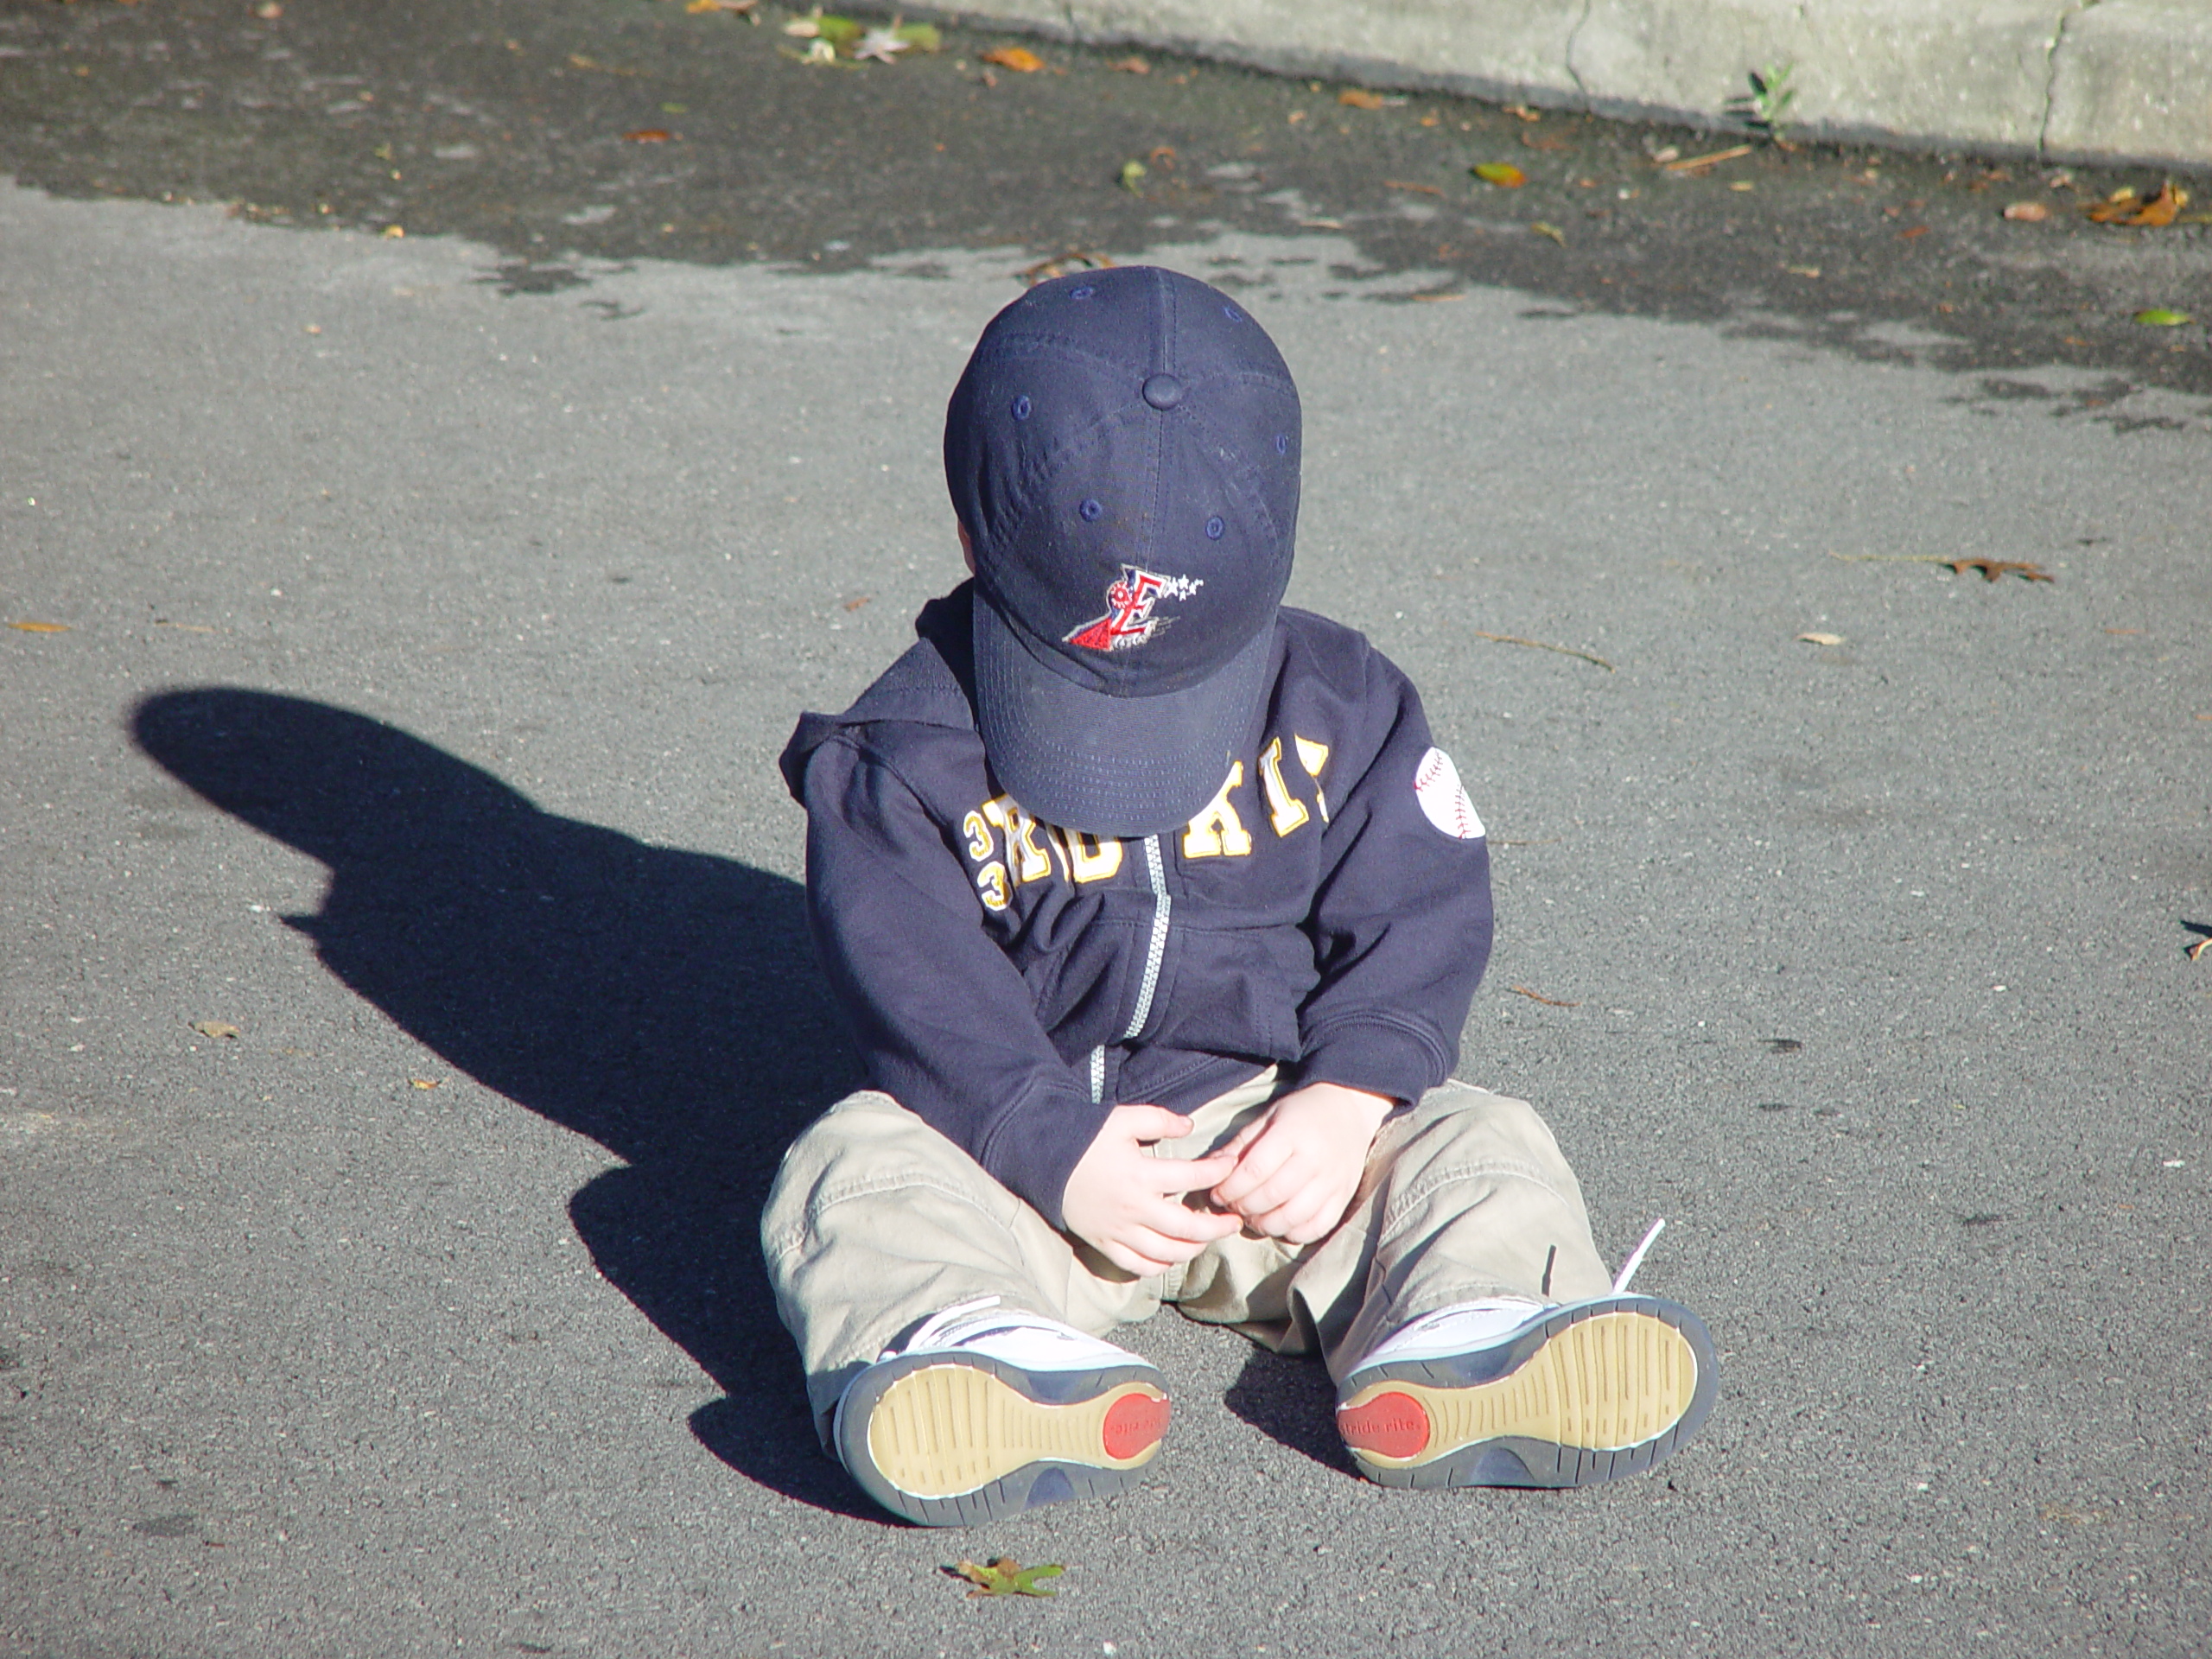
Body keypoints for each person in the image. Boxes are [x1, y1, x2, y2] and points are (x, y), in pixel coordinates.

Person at [766, 265, 1715, 1527]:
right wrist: (1046, 1144)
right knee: (853, 1170)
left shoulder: (1346, 703)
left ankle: (1486, 1324)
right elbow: (915, 983)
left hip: (1276, 1139)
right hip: (1018, 1150)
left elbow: (1419, 908)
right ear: (970, 540)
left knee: (1479, 1142)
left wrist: (1347, 1095)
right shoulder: (899, 756)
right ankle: (973, 1351)